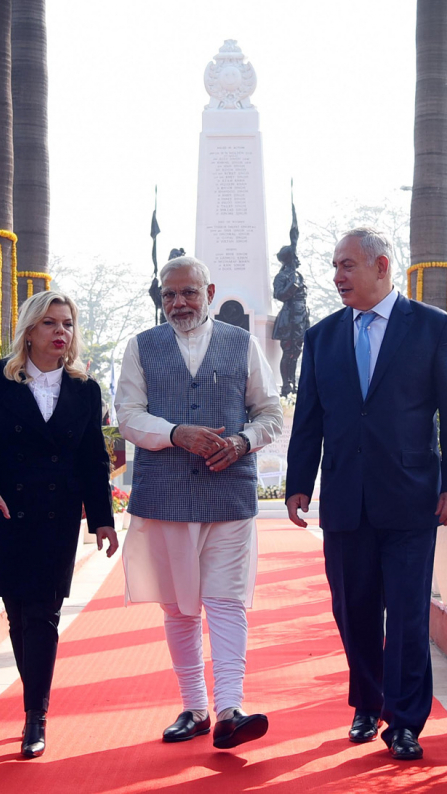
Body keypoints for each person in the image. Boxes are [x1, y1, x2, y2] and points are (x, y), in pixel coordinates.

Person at [284, 227, 447, 762]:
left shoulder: (435, 329)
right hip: (346, 499)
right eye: (335, 267)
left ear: (382, 266)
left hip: (413, 498)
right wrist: (300, 483)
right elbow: (309, 421)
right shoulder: (321, 338)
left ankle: (406, 721)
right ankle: (367, 704)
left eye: (347, 265)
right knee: (354, 609)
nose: (338, 276)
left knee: (409, 615)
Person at [114, 255, 284, 750]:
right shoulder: (140, 347)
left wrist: (243, 442)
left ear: (210, 294)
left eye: (189, 292)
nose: (178, 302)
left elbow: (269, 412)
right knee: (179, 606)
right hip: (164, 494)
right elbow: (128, 414)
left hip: (228, 493)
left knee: (226, 599)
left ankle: (231, 707)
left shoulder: (244, 343)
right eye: (169, 294)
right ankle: (195, 708)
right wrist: (174, 433)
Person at [0, 289, 120, 760]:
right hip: (6, 513)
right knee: (18, 616)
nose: (61, 332)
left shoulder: (85, 390)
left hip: (56, 518)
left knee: (44, 614)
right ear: (30, 331)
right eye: (51, 323)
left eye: (67, 324)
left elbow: (95, 460)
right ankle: (37, 700)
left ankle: (36, 716)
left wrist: (104, 521)